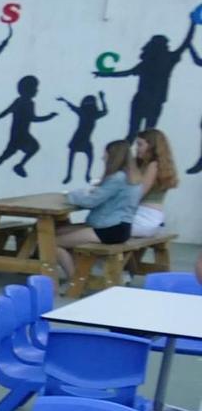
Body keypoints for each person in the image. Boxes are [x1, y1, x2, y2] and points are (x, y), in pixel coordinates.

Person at [54, 139, 145, 281]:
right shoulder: (133, 178)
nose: (103, 157)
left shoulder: (117, 178)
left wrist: (70, 195)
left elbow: (90, 201)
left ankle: (76, 280)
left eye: (105, 154)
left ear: (113, 156)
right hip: (121, 228)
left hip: (108, 229)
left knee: (52, 243)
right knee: (59, 231)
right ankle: (81, 272)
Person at [0, 75, 55, 184]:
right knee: (12, 153)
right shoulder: (25, 103)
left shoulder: (22, 102)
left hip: (19, 134)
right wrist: (48, 117)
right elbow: (32, 118)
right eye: (35, 88)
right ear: (29, 90)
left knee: (8, 154)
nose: (37, 90)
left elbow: (5, 112)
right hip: (20, 135)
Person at [131, 128, 180, 237]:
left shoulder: (153, 166)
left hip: (144, 217)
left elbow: (138, 193)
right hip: (154, 217)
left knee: (103, 228)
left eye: (140, 145)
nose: (137, 148)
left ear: (151, 146)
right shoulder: (158, 165)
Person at [57, 91, 108, 185]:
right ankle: (70, 175)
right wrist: (64, 101)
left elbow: (105, 112)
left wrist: (102, 99)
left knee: (88, 155)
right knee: (74, 154)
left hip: (85, 138)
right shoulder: (85, 113)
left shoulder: (91, 114)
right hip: (79, 137)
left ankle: (86, 174)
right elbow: (73, 107)